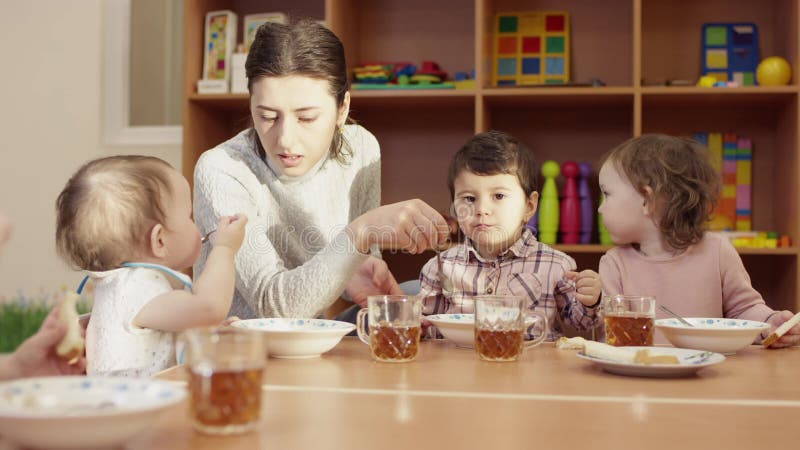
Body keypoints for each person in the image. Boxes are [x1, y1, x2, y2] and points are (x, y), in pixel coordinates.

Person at [192, 19, 450, 320]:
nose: (285, 140)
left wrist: (352, 270)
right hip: (240, 349)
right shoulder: (222, 169)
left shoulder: (360, 149)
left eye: (306, 118)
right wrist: (361, 232)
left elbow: (354, 255)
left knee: (420, 298)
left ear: (343, 109)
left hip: (311, 344)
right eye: (267, 116)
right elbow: (273, 307)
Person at [597, 134, 800, 348]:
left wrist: (771, 322)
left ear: (647, 200)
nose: (600, 208)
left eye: (607, 194)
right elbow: (609, 334)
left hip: (706, 377)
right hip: (636, 377)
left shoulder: (717, 251)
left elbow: (744, 310)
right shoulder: (614, 264)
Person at [55, 156, 247, 377]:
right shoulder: (136, 286)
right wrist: (224, 249)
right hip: (135, 407)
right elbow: (208, 307)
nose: (194, 223)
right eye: (189, 216)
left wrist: (208, 333)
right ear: (159, 241)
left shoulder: (117, 285)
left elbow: (161, 341)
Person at [418, 131, 603, 340]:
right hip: (459, 369)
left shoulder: (556, 265)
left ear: (529, 206)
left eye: (498, 196)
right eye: (469, 198)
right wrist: (419, 326)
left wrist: (591, 300)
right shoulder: (440, 266)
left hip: (530, 368)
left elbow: (583, 323)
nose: (482, 209)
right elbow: (425, 327)